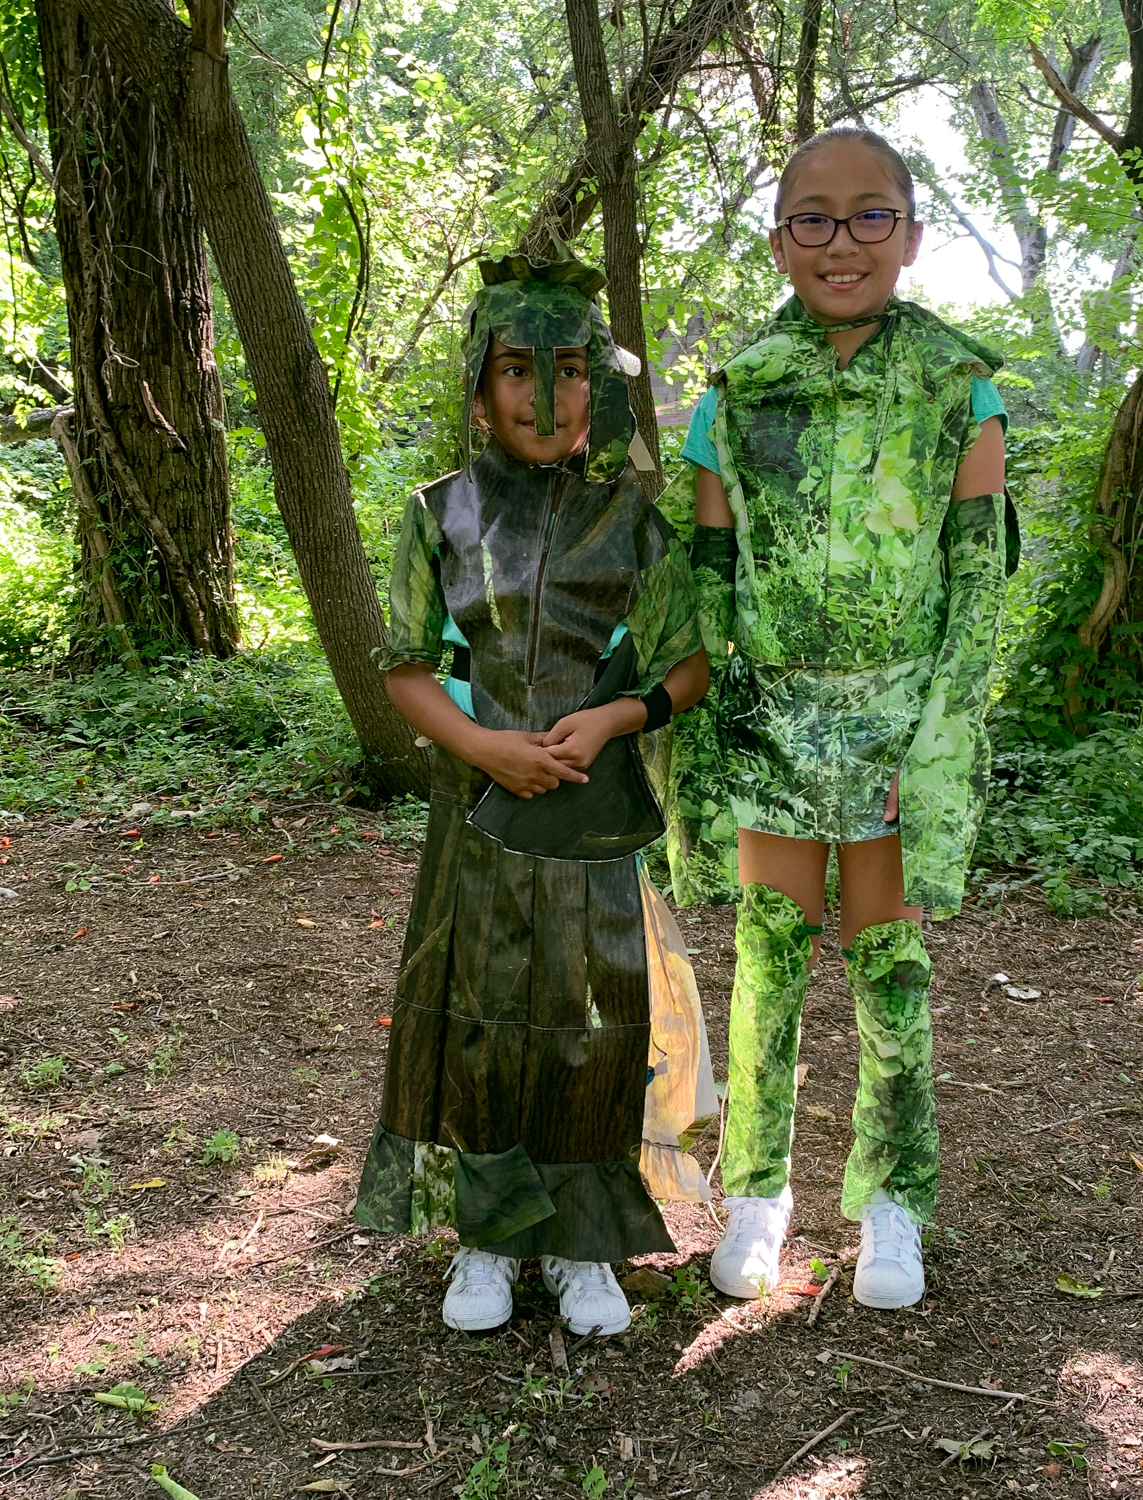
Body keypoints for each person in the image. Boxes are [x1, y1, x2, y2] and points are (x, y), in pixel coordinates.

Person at [677, 126, 1013, 1310]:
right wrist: (711, 737)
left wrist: (936, 741)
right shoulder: (736, 393)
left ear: (911, 236)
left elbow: (978, 585)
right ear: (780, 241)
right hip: (771, 722)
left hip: (900, 725)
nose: (842, 242)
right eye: (813, 218)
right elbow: (708, 582)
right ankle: (757, 1191)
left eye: (872, 214)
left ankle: (892, 1204)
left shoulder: (959, 389)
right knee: (766, 959)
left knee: (891, 966)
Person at [354, 255, 711, 1338]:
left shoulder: (633, 519)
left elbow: (689, 666)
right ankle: (490, 1235)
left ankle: (583, 1242)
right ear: (478, 388)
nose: (543, 398)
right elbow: (405, 667)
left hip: (592, 822)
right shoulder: (440, 514)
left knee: (591, 1019)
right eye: (517, 370)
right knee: (480, 1016)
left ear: (597, 391)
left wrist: (615, 719)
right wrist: (484, 747)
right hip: (478, 820)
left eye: (568, 372)